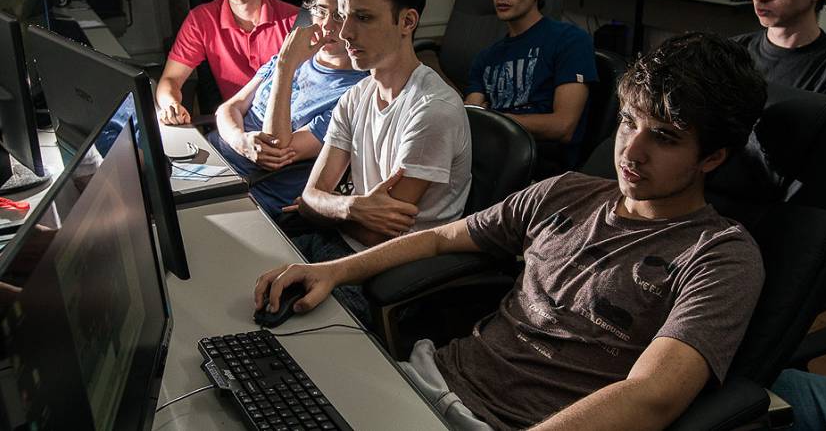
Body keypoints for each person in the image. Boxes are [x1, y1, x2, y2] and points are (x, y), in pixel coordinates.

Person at [255, 32, 768, 430]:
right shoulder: (566, 191)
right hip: (426, 380)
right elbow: (439, 237)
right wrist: (330, 271)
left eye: (665, 138)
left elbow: (651, 396)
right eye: (629, 122)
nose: (631, 151)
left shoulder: (721, 256)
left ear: (714, 157)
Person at [283, 0, 472, 325]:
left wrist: (326, 207)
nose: (344, 33)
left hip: (384, 275)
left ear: (407, 21)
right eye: (343, 15)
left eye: (363, 18)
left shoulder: (433, 110)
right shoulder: (357, 95)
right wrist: (350, 208)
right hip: (335, 248)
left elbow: (378, 234)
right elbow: (310, 196)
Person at [207, 0, 367, 217]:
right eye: (320, 11)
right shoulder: (294, 56)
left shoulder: (354, 92)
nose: (326, 26)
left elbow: (277, 148)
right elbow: (230, 107)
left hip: (249, 189)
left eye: (338, 16)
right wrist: (239, 140)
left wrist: (286, 67)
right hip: (217, 156)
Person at [463, 0, 597, 173]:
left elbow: (563, 126)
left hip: (539, 167)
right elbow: (472, 118)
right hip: (490, 156)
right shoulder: (486, 58)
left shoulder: (570, 40)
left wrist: (495, 118)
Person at [156, 0, 299, 125]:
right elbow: (170, 80)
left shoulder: (297, 21)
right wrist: (170, 104)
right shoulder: (201, 20)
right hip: (233, 123)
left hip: (288, 122)